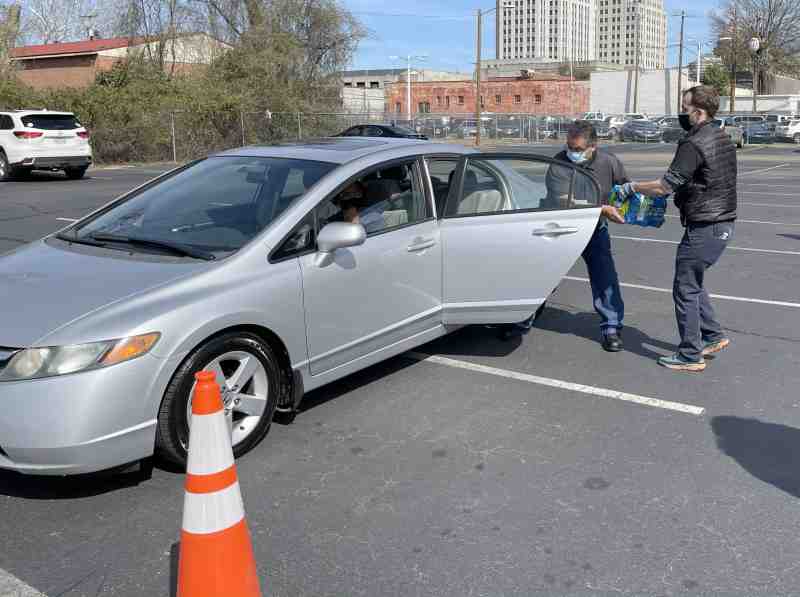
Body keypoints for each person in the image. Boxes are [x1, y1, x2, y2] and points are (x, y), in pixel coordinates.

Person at [618, 85, 736, 372]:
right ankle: (712, 335)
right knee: (693, 283)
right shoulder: (722, 136)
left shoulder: (694, 143)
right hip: (723, 221)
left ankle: (690, 355)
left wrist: (631, 187)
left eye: (684, 108)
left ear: (698, 110)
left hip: (705, 225)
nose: (682, 113)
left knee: (685, 288)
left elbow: (664, 186)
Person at [501, 120, 628, 353]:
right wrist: (602, 209)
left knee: (604, 276)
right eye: (570, 147)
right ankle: (521, 319)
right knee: (542, 275)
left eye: (578, 149)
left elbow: (623, 188)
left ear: (593, 146)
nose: (573, 153)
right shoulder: (559, 162)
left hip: (595, 230)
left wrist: (631, 206)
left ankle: (611, 327)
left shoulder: (609, 162)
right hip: (560, 228)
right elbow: (564, 200)